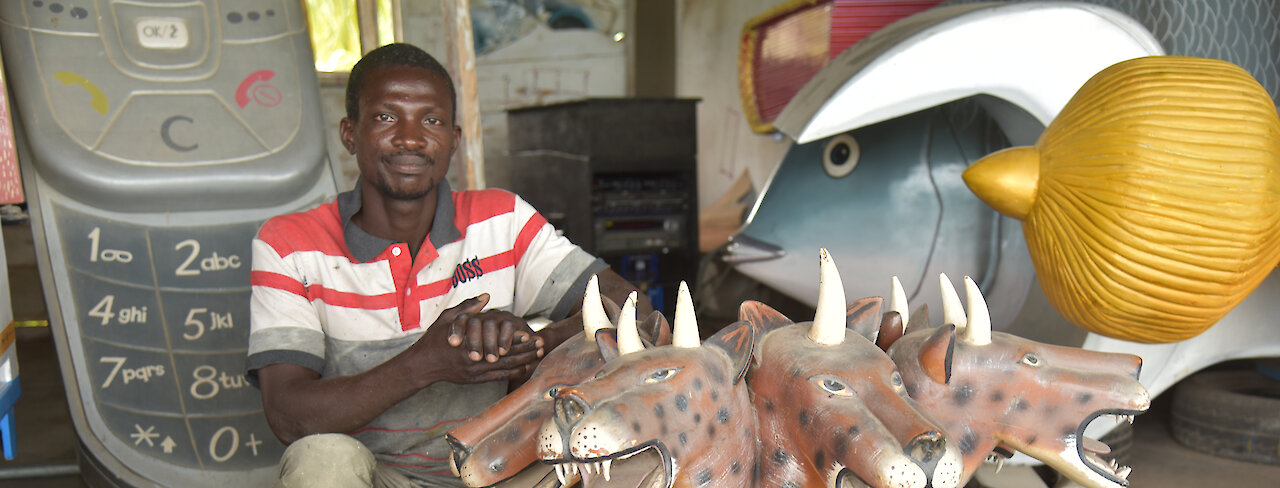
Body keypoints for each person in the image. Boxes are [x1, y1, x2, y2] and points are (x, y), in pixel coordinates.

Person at [246, 43, 649, 488]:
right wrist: (425, 363)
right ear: (349, 134)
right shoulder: (290, 244)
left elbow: (633, 307)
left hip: (498, 470)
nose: (411, 138)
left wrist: (531, 346)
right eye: (386, 117)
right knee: (321, 457)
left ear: (454, 140)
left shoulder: (503, 220)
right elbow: (287, 415)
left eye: (432, 120)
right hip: (379, 477)